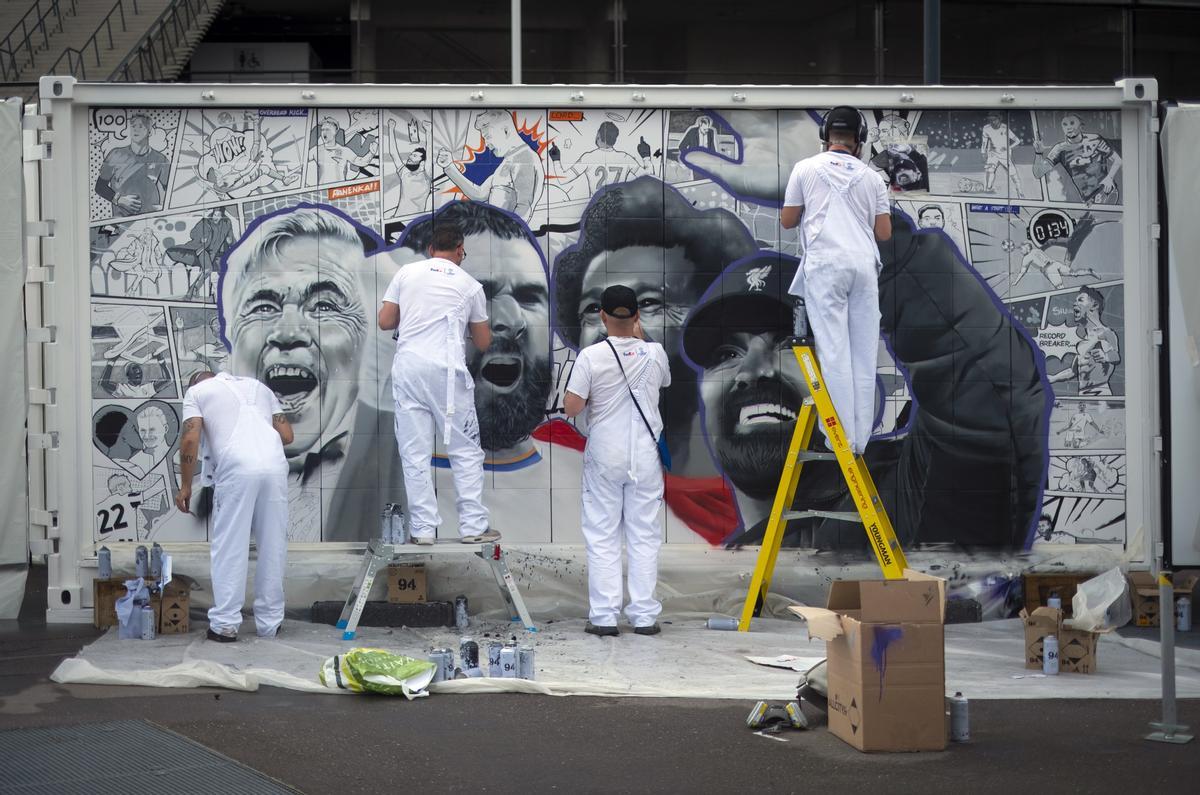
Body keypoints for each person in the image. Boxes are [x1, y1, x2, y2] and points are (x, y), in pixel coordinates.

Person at [220, 205, 406, 542]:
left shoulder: (402, 463)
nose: (288, 332)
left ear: (370, 339)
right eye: (263, 306)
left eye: (324, 306)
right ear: (231, 336)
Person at [378, 222, 499, 545]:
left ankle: (423, 530)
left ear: (431, 249)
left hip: (409, 369)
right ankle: (473, 527)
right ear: (459, 250)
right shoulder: (470, 285)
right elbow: (484, 342)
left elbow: (385, 321)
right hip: (447, 373)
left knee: (414, 452)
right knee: (465, 450)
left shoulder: (406, 273)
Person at [780, 105, 891, 454]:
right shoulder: (873, 178)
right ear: (859, 140)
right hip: (864, 267)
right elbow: (884, 233)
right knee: (862, 352)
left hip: (826, 266)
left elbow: (788, 220)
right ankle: (861, 438)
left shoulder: (805, 169)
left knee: (834, 351)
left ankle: (840, 437)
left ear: (826, 136)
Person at [564, 285, 671, 636]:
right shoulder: (655, 353)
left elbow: (572, 407)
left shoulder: (591, 357)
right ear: (637, 317)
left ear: (603, 317)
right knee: (644, 535)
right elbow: (664, 383)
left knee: (602, 533)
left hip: (605, 455)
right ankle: (644, 616)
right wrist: (639, 340)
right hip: (644, 455)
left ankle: (605, 616)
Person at [176, 370, 293, 642]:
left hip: (237, 469)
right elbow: (287, 435)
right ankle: (270, 623)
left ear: (194, 383)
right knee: (273, 546)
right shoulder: (258, 387)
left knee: (230, 546)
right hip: (275, 468)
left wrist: (185, 486)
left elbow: (190, 439)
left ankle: (225, 625)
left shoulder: (196, 393)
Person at [435, 110, 544, 220]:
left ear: (506, 131)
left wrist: (506, 235)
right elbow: (479, 194)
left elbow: (524, 208)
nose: (486, 144)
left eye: (487, 137)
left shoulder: (524, 158)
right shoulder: (510, 160)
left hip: (505, 234)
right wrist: (449, 167)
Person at [1033, 113, 1122, 205]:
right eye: (1065, 124)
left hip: (1104, 191)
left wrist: (1109, 178)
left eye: (1072, 123)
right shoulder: (1059, 149)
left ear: (1081, 126)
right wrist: (1038, 153)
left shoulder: (1095, 140)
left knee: (1100, 218)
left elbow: (1118, 160)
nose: (1068, 127)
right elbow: (1038, 173)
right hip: (1087, 199)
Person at [1048, 286, 1121, 396]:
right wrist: (1053, 378)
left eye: (1080, 300)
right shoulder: (1083, 343)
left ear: (1094, 305)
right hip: (1083, 395)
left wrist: (1105, 356)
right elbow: (1073, 372)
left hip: (1100, 394)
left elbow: (1116, 356)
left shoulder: (1105, 333)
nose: (1074, 304)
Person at [95, 114, 169, 218]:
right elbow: (100, 187)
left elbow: (170, 192)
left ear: (149, 131)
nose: (136, 130)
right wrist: (119, 199)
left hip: (150, 222)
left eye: (140, 126)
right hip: (120, 223)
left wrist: (161, 209)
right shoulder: (116, 155)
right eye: (133, 126)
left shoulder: (161, 159)